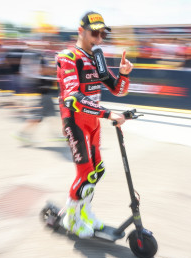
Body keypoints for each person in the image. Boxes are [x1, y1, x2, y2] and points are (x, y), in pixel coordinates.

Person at [56, 11, 133, 238]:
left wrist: (123, 74)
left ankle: (84, 213)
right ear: (81, 31)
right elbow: (72, 98)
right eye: (95, 33)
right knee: (86, 174)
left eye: (103, 34)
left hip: (92, 122)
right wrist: (109, 114)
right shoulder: (68, 57)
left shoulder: (96, 57)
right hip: (75, 122)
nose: (99, 39)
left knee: (97, 172)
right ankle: (71, 219)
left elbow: (118, 90)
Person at [17, 41, 59, 143]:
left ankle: (23, 134)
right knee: (40, 115)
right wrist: (58, 70)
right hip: (41, 89)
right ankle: (22, 134)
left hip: (42, 89)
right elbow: (42, 70)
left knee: (46, 115)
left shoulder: (35, 55)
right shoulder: (34, 55)